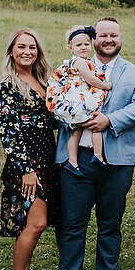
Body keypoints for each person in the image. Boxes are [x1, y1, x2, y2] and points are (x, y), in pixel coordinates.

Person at [53, 17, 135, 270]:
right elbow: (54, 98)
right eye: (102, 35)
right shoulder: (71, 67)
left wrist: (110, 119)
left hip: (116, 161)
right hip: (77, 160)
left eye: (114, 35)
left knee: (110, 223)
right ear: (93, 39)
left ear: (121, 38)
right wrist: (76, 116)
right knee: (72, 223)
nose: (108, 40)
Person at [0, 28, 59, 270]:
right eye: (21, 47)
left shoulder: (43, 81)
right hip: (27, 161)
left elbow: (53, 120)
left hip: (48, 156)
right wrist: (25, 169)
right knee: (36, 222)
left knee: (36, 224)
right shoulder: (7, 84)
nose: (27, 52)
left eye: (32, 47)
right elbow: (9, 130)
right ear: (12, 51)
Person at [46, 26, 112, 175]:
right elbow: (90, 79)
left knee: (78, 131)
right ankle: (97, 156)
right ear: (70, 48)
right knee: (94, 126)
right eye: (78, 45)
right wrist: (105, 85)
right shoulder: (79, 62)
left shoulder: (85, 61)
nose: (83, 47)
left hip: (79, 98)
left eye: (86, 44)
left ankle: (74, 162)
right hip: (79, 100)